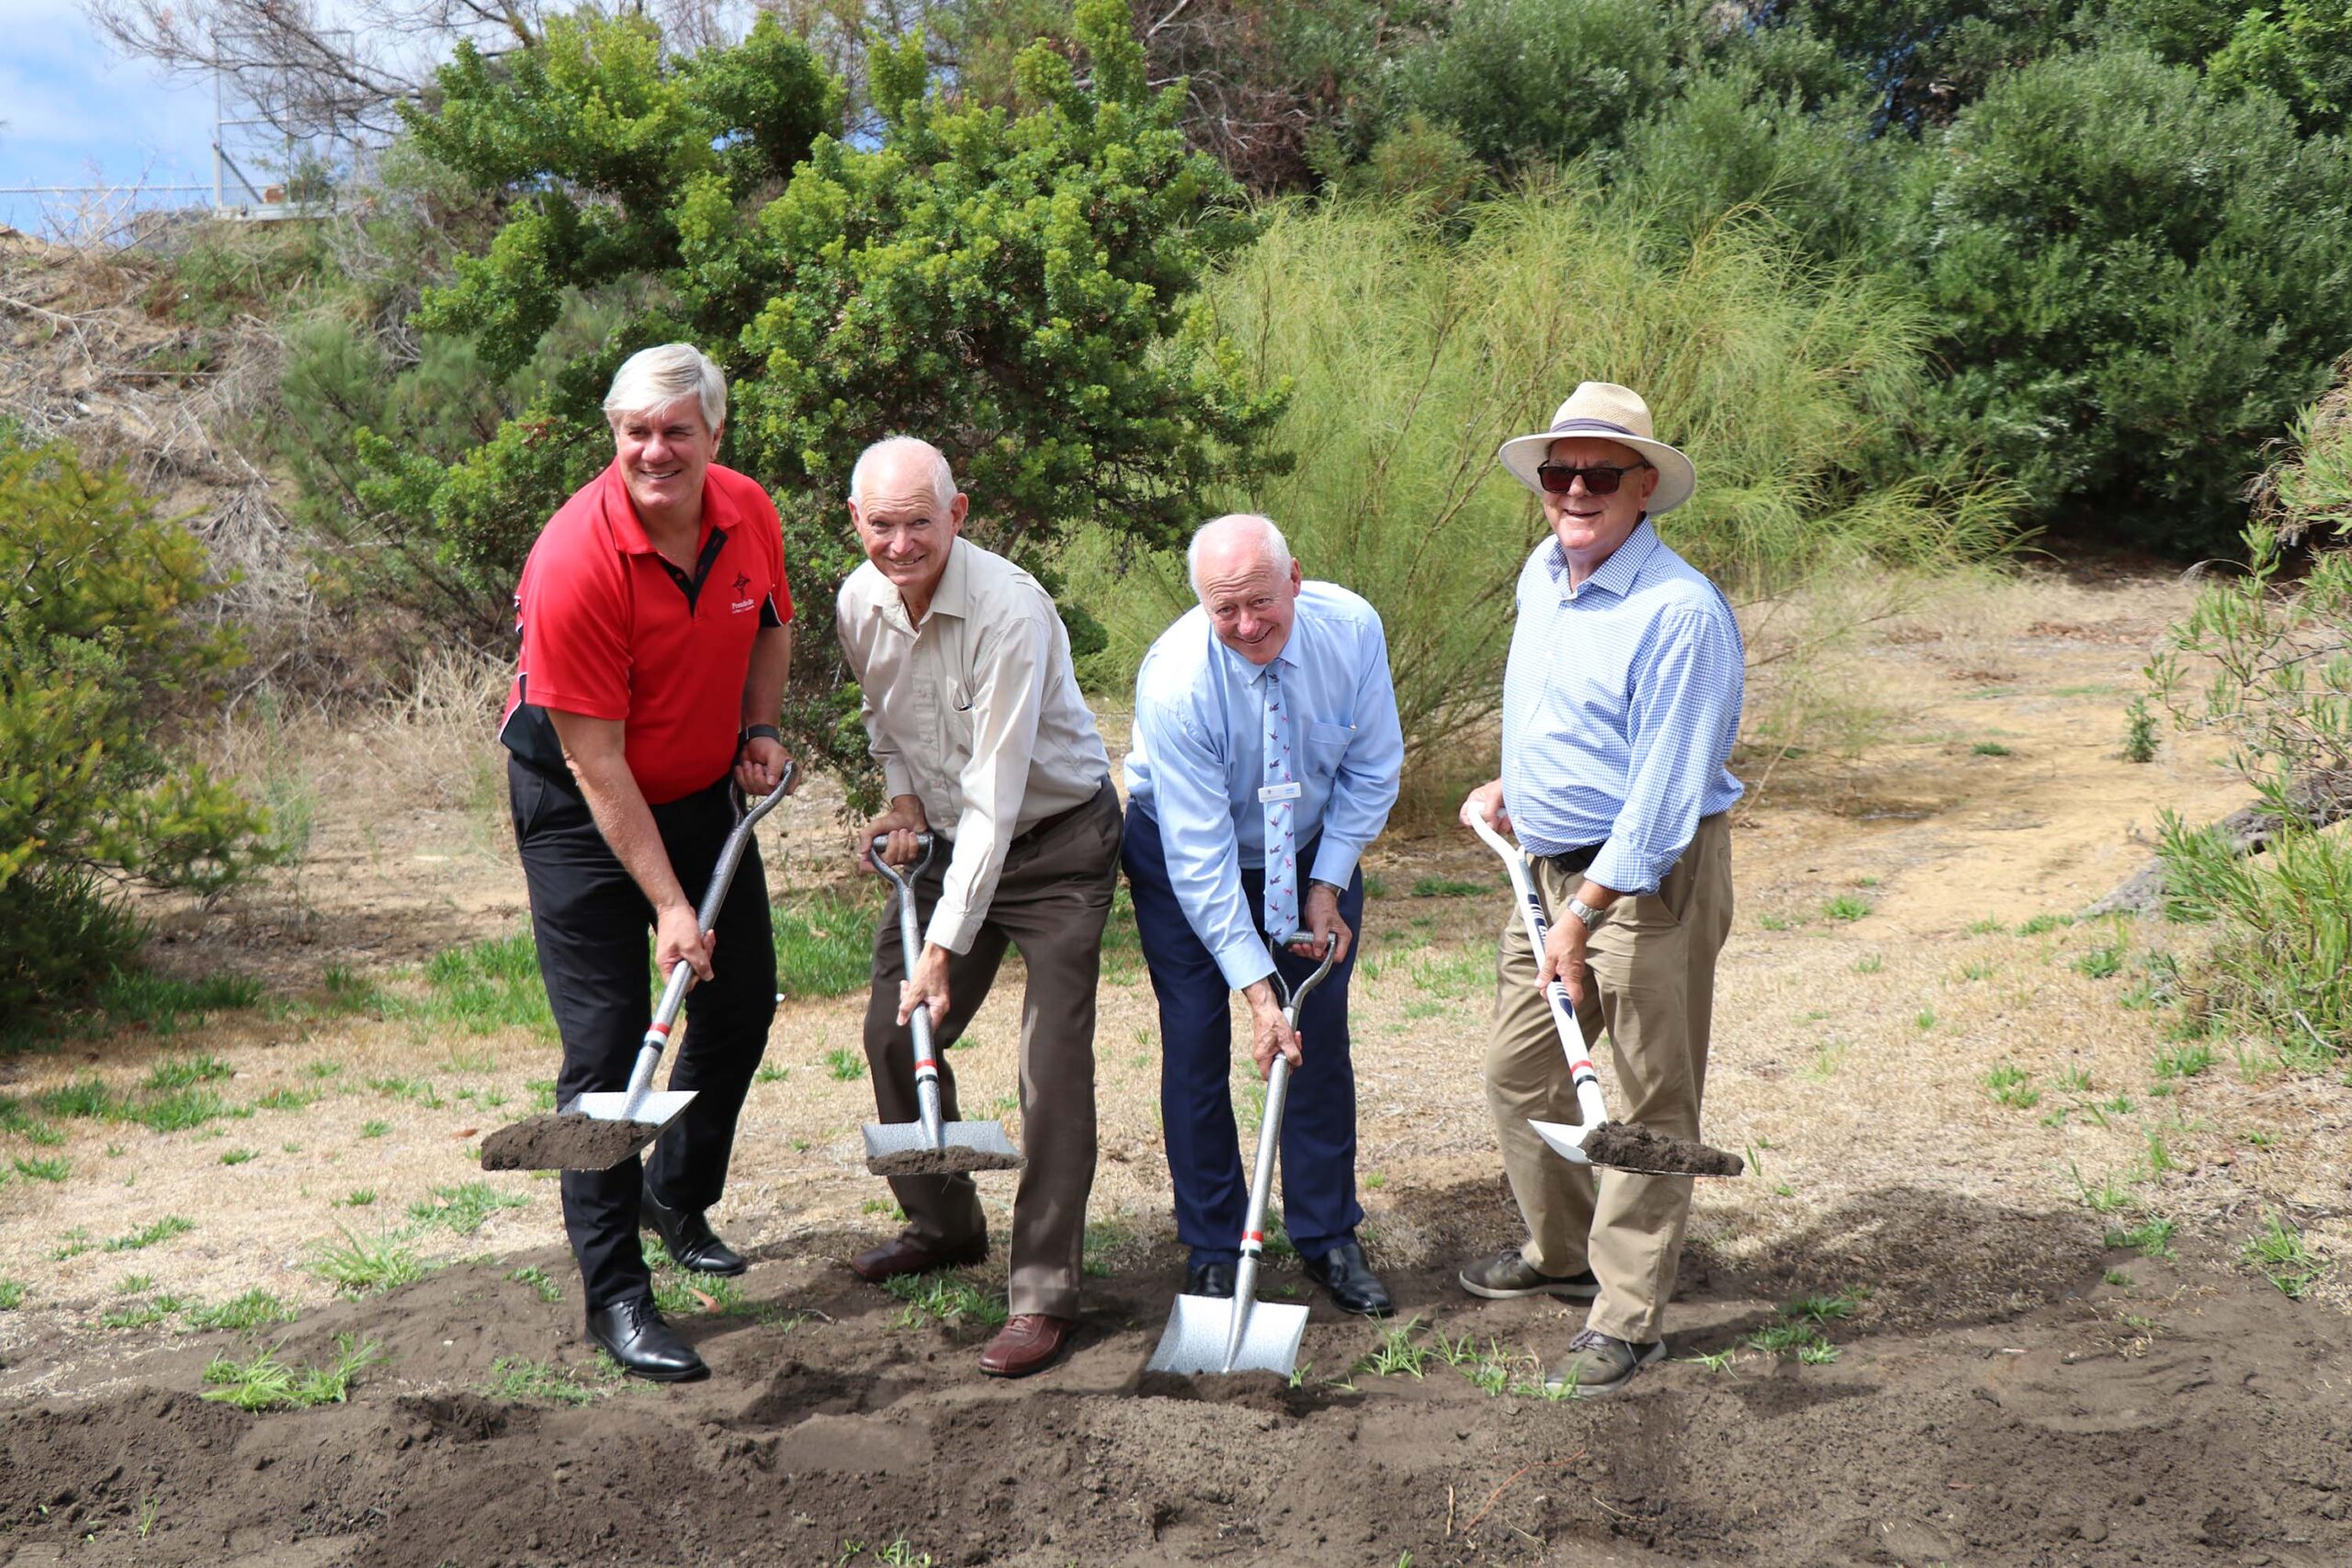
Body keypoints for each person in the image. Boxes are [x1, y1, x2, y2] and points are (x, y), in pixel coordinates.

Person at [499, 343, 797, 1382]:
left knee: (742, 998)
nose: (654, 451)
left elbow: (767, 625)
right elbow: (593, 760)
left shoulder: (745, 511)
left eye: (676, 430)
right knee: (609, 1048)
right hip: (580, 804)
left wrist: (758, 726)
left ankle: (677, 1194)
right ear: (612, 438)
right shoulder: (575, 558)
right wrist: (670, 905)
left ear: (715, 434)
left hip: (695, 784)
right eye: (635, 433)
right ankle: (616, 1297)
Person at [1458, 381, 1743, 1396]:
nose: (1574, 490)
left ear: (1645, 486)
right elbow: (1565, 715)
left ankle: (1626, 1319)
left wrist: (1582, 917)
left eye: (1599, 473)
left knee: (1648, 1102)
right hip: (1543, 863)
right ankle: (1562, 1251)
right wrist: (1514, 786)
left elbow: (1662, 801)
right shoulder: (1547, 572)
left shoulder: (1679, 615)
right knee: (1516, 1070)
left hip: (1645, 881)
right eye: (1558, 471)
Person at [834, 435, 1122, 1380]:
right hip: (955, 840)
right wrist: (903, 795)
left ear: (957, 517)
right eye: (882, 525)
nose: (901, 543)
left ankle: (1042, 1294)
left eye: (920, 521)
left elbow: (1000, 797)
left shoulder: (1010, 609)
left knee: (1049, 1066)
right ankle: (943, 1225)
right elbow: (886, 719)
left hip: (1058, 848)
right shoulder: (856, 602)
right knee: (891, 1031)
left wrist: (943, 948)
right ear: (857, 524)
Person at [1123, 514, 1406, 1316]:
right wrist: (1256, 994)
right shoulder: (1177, 679)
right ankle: (1214, 1246)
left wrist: (1328, 880)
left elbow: (1373, 764)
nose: (1246, 627)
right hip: (1188, 851)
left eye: (1260, 603)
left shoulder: (1351, 631)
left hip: (1312, 844)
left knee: (1316, 1036)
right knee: (1198, 1041)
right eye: (1224, 610)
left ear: (1296, 578)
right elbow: (1203, 862)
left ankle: (1327, 1236)